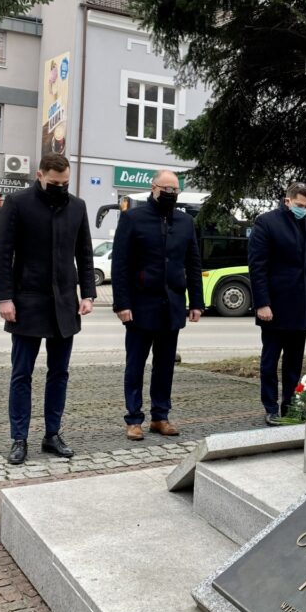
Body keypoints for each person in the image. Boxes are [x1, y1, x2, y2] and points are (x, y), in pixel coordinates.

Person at [0, 153, 96, 465]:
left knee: (59, 373)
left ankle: (52, 434)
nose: (60, 188)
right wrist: (4, 298)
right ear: (40, 175)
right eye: (54, 183)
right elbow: (2, 252)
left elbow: (85, 253)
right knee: (21, 373)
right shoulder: (17, 203)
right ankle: (19, 438)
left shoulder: (77, 206)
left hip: (65, 305)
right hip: (27, 303)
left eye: (65, 183)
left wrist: (88, 293)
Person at [112, 171, 203, 441]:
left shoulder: (186, 221)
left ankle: (160, 417)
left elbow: (193, 264)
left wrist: (196, 302)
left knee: (165, 366)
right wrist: (122, 303)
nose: (171, 193)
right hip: (140, 305)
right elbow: (120, 265)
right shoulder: (132, 219)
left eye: (175, 189)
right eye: (166, 188)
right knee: (136, 365)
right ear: (153, 188)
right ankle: (134, 419)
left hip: (172, 305)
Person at [248, 183, 306, 425]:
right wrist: (262, 303)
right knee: (270, 362)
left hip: (302, 306)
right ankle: (270, 407)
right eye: (299, 205)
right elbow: (257, 267)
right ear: (288, 200)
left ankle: (290, 405)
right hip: (274, 307)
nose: (303, 209)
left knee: (294, 362)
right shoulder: (267, 222)